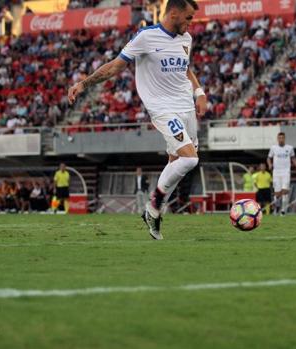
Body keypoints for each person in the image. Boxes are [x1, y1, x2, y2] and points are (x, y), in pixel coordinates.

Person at [68, 0, 205, 240]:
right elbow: (114, 68)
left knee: (176, 162)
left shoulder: (186, 39)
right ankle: (153, 207)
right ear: (174, 13)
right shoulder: (146, 37)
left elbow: (186, 68)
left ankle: (154, 213)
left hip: (187, 108)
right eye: (189, 17)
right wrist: (84, 83)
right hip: (163, 109)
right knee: (189, 159)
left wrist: (199, 92)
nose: (191, 23)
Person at [267, 132, 296, 216]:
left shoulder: (290, 148)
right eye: (279, 138)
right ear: (277, 139)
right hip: (276, 173)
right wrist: (270, 164)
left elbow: (293, 157)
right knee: (277, 194)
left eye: (282, 138)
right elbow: (269, 158)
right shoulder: (273, 148)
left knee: (285, 191)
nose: (281, 139)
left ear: (285, 138)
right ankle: (275, 210)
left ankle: (283, 211)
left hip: (286, 172)